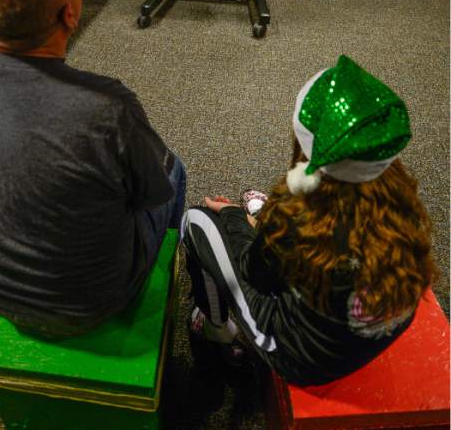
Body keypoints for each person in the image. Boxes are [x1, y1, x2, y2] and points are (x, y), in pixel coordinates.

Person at [0, 0, 186, 339]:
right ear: (70, 12)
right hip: (95, 301)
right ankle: (160, 278)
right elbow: (151, 194)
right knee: (173, 170)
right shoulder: (108, 108)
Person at [182, 55, 438, 385]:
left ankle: (217, 329)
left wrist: (233, 216)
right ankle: (259, 218)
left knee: (197, 221)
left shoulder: (295, 215)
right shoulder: (402, 197)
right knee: (286, 242)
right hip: (375, 334)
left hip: (304, 359)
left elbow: (255, 276)